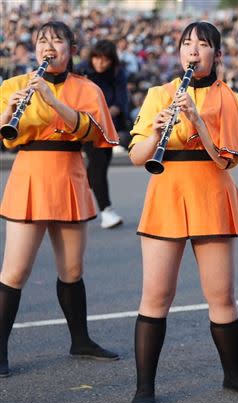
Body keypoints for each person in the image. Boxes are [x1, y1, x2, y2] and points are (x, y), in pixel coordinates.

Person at [127, 21, 238, 403]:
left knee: (221, 296)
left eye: (202, 45)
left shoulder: (232, 100)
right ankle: (144, 386)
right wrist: (156, 132)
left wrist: (199, 122)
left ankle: (233, 375)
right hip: (166, 191)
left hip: (212, 192)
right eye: (187, 44)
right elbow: (137, 156)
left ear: (217, 55)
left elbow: (227, 159)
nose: (193, 51)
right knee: (156, 295)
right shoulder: (159, 94)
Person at [0, 21, 120, 378]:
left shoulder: (86, 88)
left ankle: (80, 340)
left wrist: (51, 100)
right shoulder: (13, 85)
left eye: (57, 40)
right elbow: (6, 134)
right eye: (42, 41)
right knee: (15, 270)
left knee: (72, 270)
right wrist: (8, 113)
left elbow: (94, 133)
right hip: (30, 173)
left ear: (71, 49)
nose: (48, 46)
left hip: (69, 171)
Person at [76, 39, 129, 229]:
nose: (100, 63)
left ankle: (77, 189)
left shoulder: (117, 72)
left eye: (105, 60)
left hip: (108, 125)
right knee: (98, 166)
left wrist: (107, 112)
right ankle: (106, 211)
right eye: (97, 58)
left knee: (100, 167)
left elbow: (121, 100)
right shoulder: (82, 70)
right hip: (87, 126)